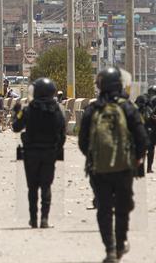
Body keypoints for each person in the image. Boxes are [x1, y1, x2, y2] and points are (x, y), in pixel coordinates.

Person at [78, 67, 148, 262]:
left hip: (98, 169)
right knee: (123, 207)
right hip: (124, 167)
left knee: (104, 208)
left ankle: (109, 247)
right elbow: (142, 138)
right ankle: (120, 244)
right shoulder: (127, 108)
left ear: (100, 86)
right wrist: (136, 158)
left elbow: (83, 142)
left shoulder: (92, 109)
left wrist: (94, 157)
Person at [12, 78, 66, 229]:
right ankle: (44, 219)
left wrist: (17, 113)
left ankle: (33, 219)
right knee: (46, 187)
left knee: (33, 187)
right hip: (49, 153)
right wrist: (55, 149)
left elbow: (16, 127)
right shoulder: (56, 110)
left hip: (31, 153)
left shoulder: (29, 110)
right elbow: (62, 134)